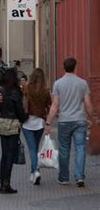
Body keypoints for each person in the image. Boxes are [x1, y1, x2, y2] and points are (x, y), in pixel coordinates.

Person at [45, 56, 95, 187]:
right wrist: (92, 117)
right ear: (75, 67)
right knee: (80, 148)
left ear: (64, 67)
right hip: (80, 119)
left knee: (64, 149)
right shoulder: (82, 83)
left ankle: (64, 177)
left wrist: (48, 122)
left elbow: (55, 105)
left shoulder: (58, 84)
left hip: (64, 121)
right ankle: (79, 176)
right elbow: (88, 103)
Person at [0, 68, 28, 194]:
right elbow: (19, 109)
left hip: (2, 121)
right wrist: (24, 118)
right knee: (10, 154)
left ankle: (1, 180)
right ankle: (6, 184)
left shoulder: (0, 90)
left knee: (4, 154)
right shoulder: (15, 92)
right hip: (13, 123)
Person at [22, 68, 51, 185]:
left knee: (32, 149)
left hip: (27, 123)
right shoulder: (45, 91)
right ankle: (34, 171)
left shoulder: (27, 88)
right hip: (39, 123)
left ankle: (35, 171)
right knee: (36, 147)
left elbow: (23, 103)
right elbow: (48, 105)